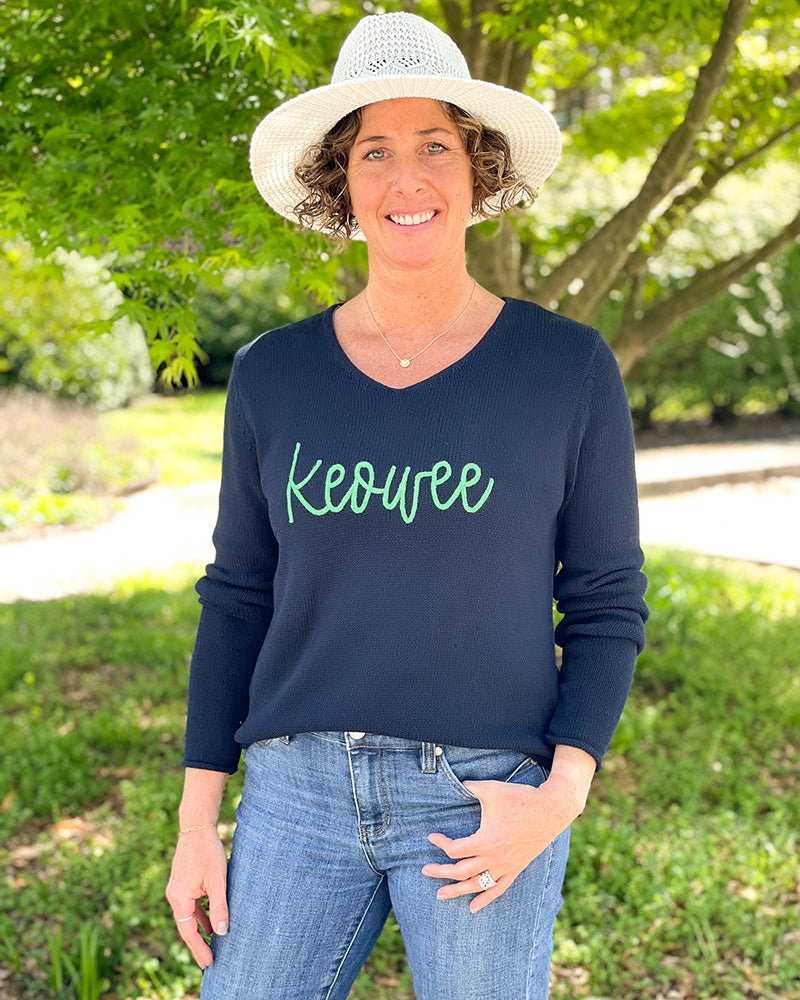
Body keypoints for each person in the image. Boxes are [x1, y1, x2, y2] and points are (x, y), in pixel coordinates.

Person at [166, 11, 648, 1000]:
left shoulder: (565, 369)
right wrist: (195, 823)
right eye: (373, 152)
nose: (406, 178)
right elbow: (238, 594)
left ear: (477, 170)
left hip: (484, 800)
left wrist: (560, 793)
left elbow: (606, 598)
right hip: (295, 795)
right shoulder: (272, 374)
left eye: (435, 145)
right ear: (340, 185)